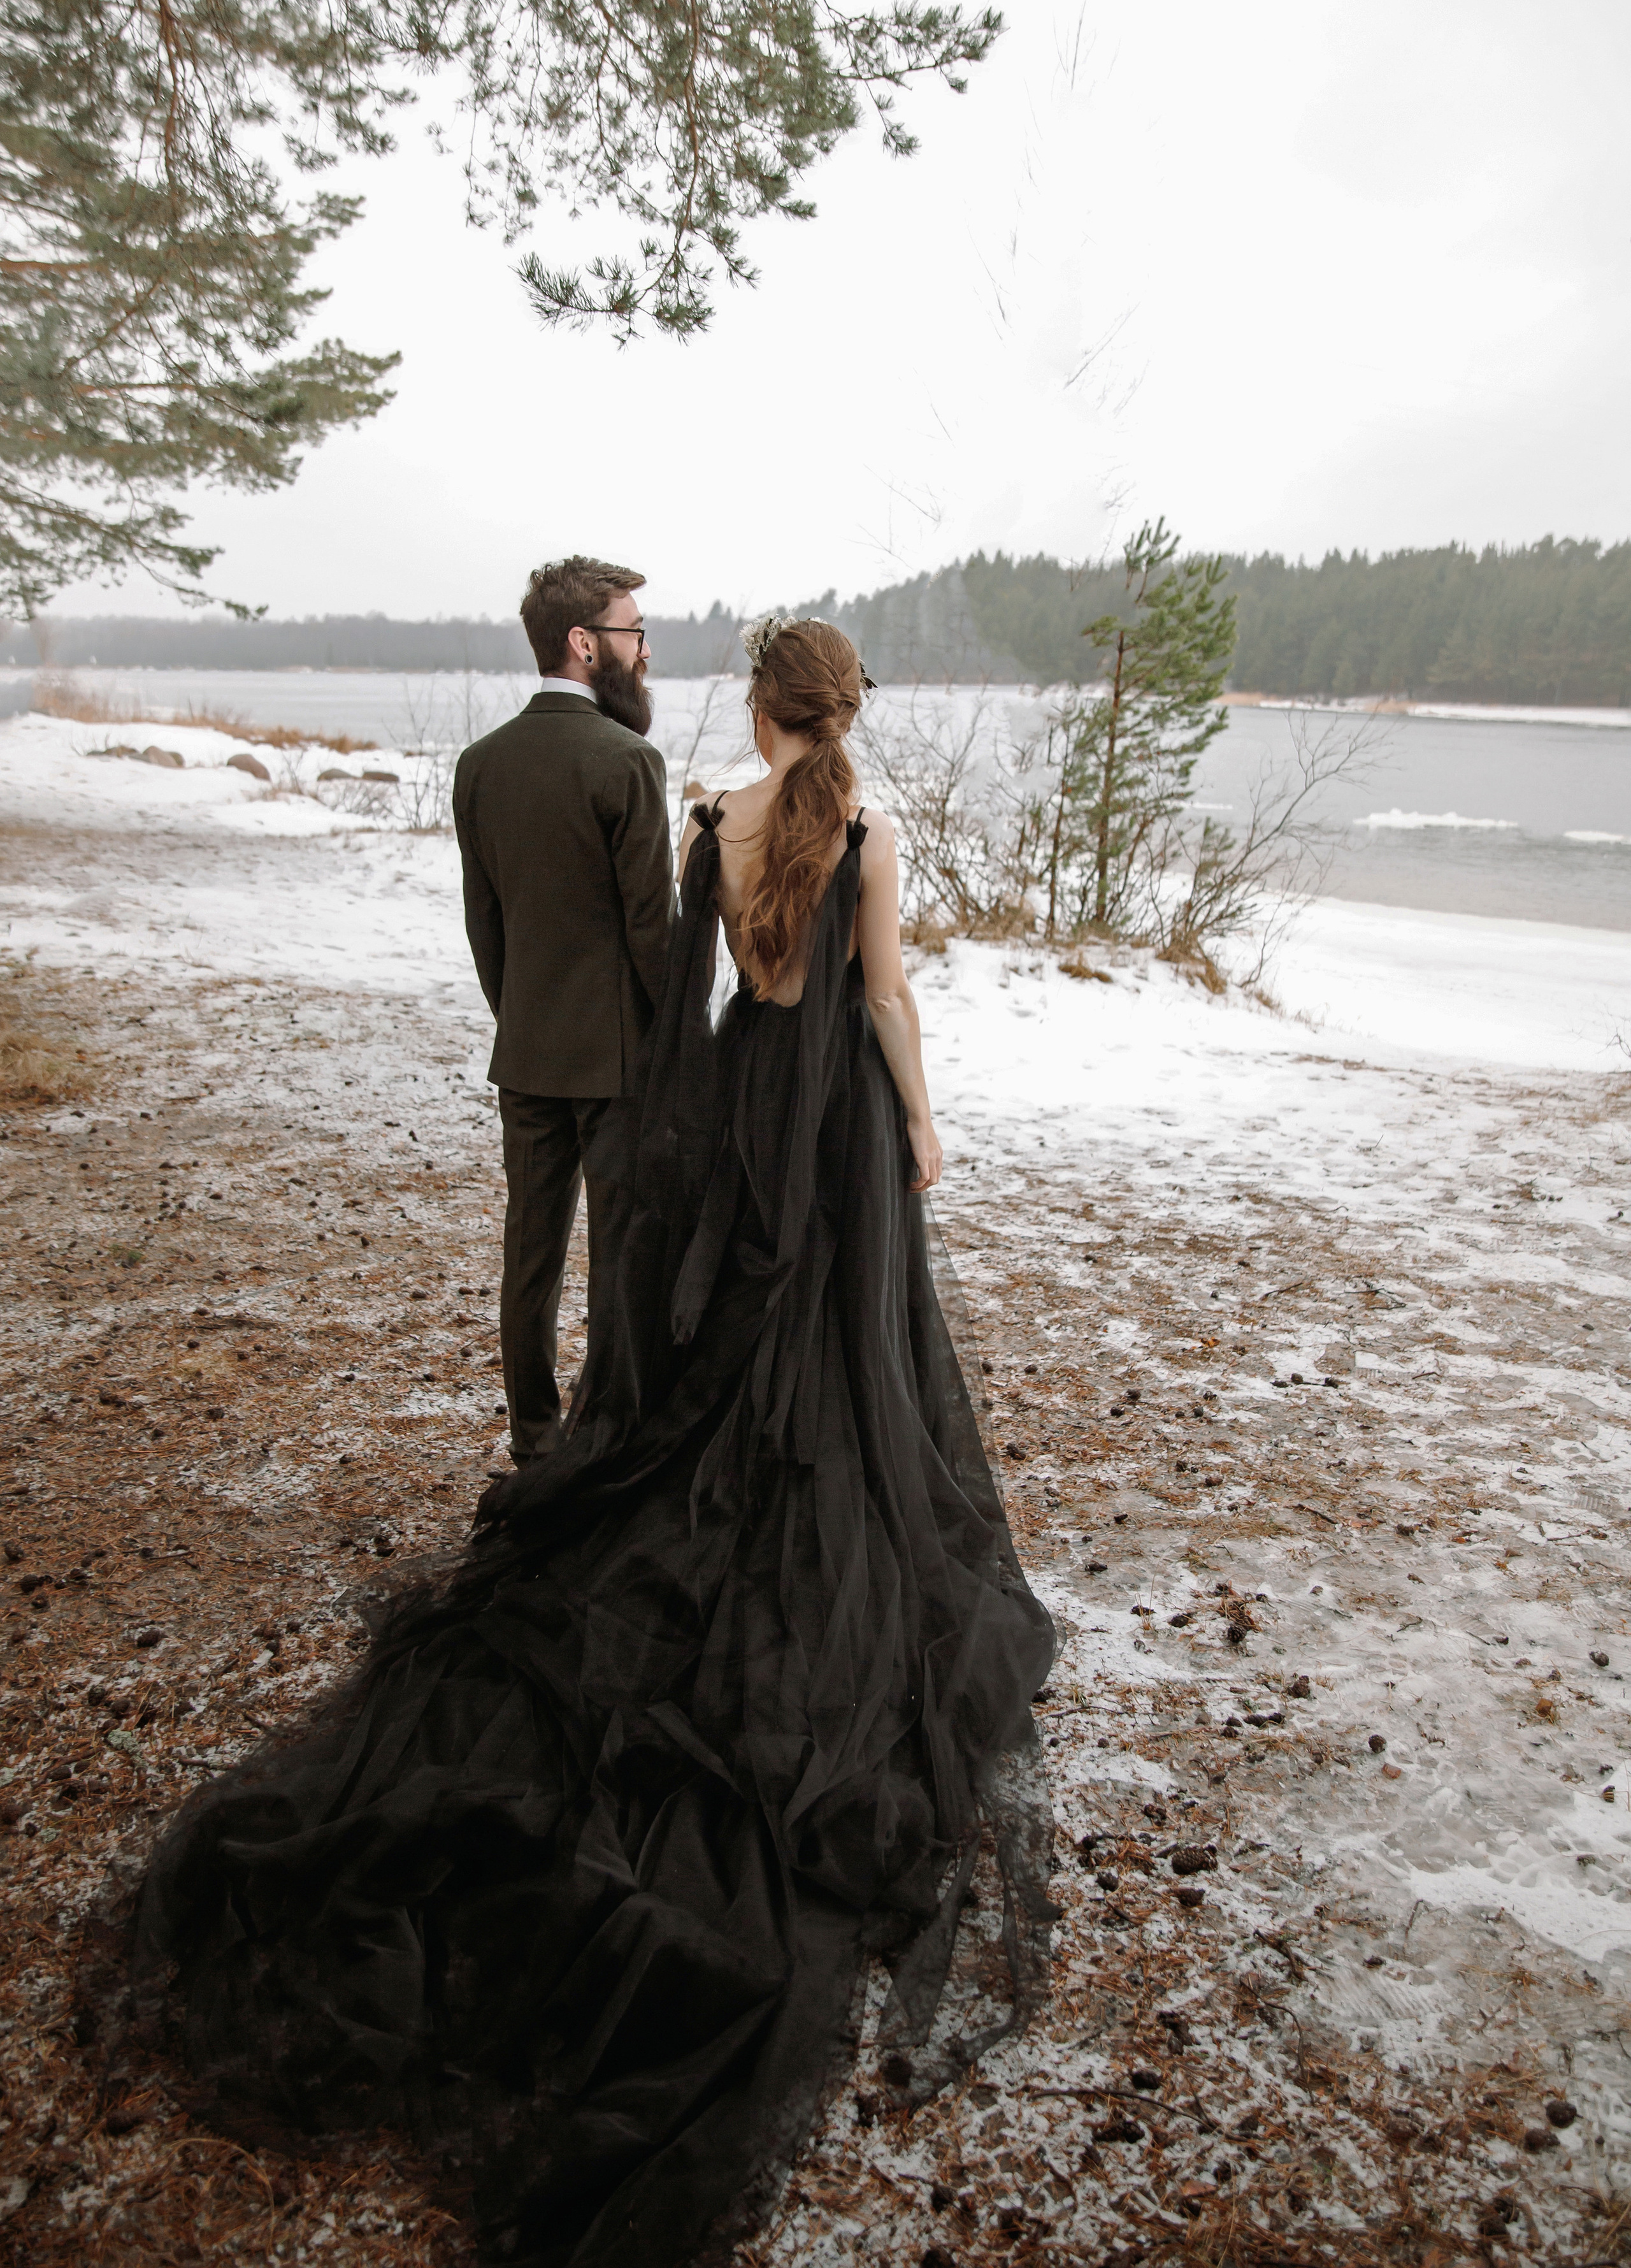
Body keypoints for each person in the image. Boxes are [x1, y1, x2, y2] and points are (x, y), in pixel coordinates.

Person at [129, 618, 1056, 2268]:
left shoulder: (717, 819)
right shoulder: (867, 829)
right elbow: (889, 993)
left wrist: (676, 1154)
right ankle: (808, 1518)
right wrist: (917, 1119)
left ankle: (736, 1487)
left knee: (719, 1360)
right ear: (843, 713)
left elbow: (689, 1003)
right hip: (833, 1109)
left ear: (761, 710)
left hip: (742, 1090)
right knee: (841, 1359)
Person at [453, 556, 673, 1463]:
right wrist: (677, 1049)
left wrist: (526, 1017)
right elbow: (653, 933)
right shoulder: (628, 761)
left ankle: (537, 1441)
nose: (645, 651)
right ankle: (609, 1440)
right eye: (632, 633)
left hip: (529, 1049)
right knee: (620, 1260)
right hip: (618, 1063)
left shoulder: (481, 764)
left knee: (530, 1257)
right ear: (585, 644)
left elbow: (486, 926)